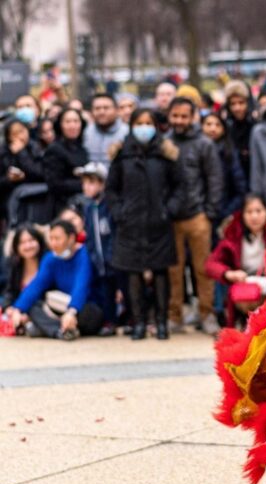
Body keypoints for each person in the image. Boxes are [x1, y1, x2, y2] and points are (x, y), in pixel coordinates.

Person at [107, 108, 184, 340]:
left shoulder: (165, 153)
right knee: (133, 273)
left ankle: (161, 323)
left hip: (158, 223)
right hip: (130, 223)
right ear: (131, 126)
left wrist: (168, 209)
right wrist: (119, 212)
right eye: (139, 123)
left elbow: (179, 186)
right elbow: (111, 189)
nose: (144, 127)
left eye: (148, 122)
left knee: (161, 272)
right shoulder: (121, 154)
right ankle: (138, 322)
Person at [166, 96, 224, 335]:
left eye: (184, 116)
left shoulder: (204, 144)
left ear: (193, 117)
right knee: (173, 269)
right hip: (171, 218)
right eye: (175, 116)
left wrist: (209, 212)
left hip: (198, 216)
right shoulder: (165, 143)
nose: (179, 120)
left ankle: (206, 313)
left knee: (203, 268)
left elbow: (214, 179)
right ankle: (175, 315)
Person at [7, 219, 101, 340]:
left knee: (87, 313)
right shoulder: (51, 258)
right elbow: (36, 285)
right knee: (33, 307)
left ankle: (52, 328)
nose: (53, 243)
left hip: (84, 306)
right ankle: (60, 332)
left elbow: (81, 286)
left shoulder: (83, 254)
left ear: (71, 238)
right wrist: (18, 309)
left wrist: (72, 311)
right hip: (62, 306)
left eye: (57, 238)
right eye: (51, 238)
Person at [204, 194, 266, 329]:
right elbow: (210, 265)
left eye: (258, 211)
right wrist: (228, 274)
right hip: (244, 287)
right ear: (242, 214)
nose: (254, 216)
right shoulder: (233, 235)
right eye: (249, 212)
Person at [78, 162, 118, 334]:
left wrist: (112, 256)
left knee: (122, 289)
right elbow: (90, 236)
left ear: (103, 184)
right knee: (105, 292)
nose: (87, 187)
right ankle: (109, 321)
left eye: (92, 182)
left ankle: (130, 318)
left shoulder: (109, 205)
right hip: (99, 261)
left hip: (114, 259)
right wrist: (94, 256)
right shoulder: (87, 207)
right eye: (85, 183)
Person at [43, 108, 89, 221]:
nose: (72, 125)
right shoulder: (55, 149)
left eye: (76, 121)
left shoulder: (82, 148)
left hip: (82, 204)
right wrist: (84, 184)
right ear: (60, 125)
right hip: (62, 206)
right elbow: (55, 183)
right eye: (68, 122)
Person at [201, 112, 248, 223]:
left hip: (222, 212)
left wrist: (225, 212)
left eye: (217, 125)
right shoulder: (194, 150)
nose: (213, 128)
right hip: (197, 214)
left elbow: (240, 189)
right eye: (208, 124)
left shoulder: (230, 153)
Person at [1, 119, 46, 226]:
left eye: (22, 131)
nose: (20, 136)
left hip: (35, 197)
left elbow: (40, 173)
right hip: (8, 200)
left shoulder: (36, 148)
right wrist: (9, 179)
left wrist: (21, 153)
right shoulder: (3, 153)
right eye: (14, 134)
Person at [1, 226, 47, 310]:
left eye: (31, 240)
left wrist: (24, 313)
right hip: (17, 313)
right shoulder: (16, 265)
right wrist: (7, 307)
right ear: (16, 247)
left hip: (40, 313)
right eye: (22, 242)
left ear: (39, 241)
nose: (28, 246)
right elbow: (10, 292)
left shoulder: (48, 263)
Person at [83, 93, 128, 167]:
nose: (102, 112)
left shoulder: (126, 132)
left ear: (116, 110)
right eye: (97, 108)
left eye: (106, 108)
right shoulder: (86, 132)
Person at [223, 79, 255, 179]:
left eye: (241, 103)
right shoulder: (226, 126)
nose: (237, 108)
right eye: (233, 104)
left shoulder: (255, 125)